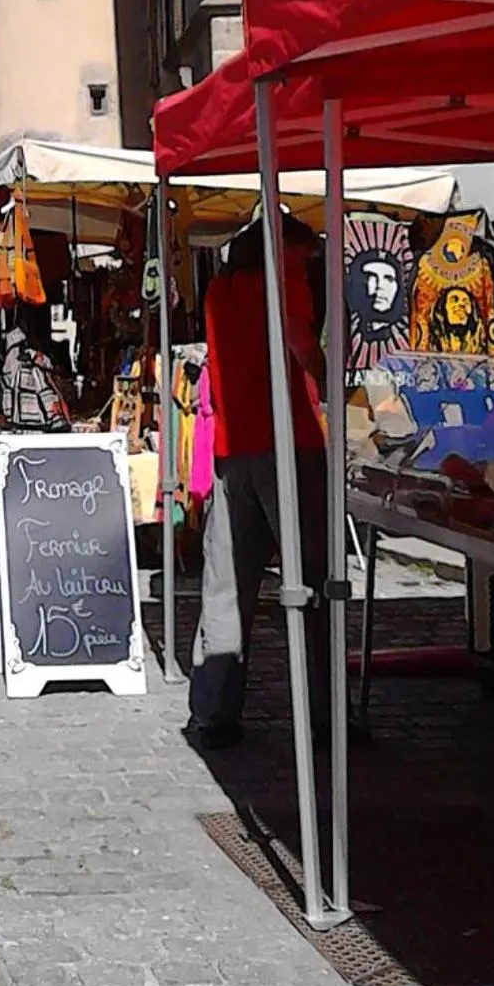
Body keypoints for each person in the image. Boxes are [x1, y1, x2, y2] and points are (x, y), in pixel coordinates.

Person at [187, 215, 330, 751]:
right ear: (284, 250)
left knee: (227, 583)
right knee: (312, 582)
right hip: (288, 443)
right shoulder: (283, 278)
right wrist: (329, 371)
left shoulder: (219, 291)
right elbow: (301, 345)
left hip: (234, 449)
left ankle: (213, 708)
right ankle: (323, 713)